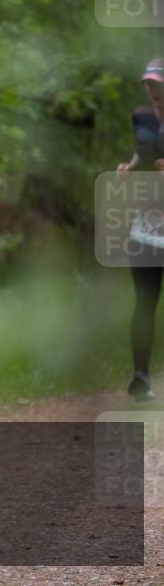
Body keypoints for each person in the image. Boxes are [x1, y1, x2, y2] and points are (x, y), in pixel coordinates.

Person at [116, 58, 164, 402]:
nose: (152, 90)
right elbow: (142, 150)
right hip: (148, 225)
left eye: (158, 84)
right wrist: (129, 167)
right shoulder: (141, 117)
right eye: (148, 84)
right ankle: (140, 377)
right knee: (144, 301)